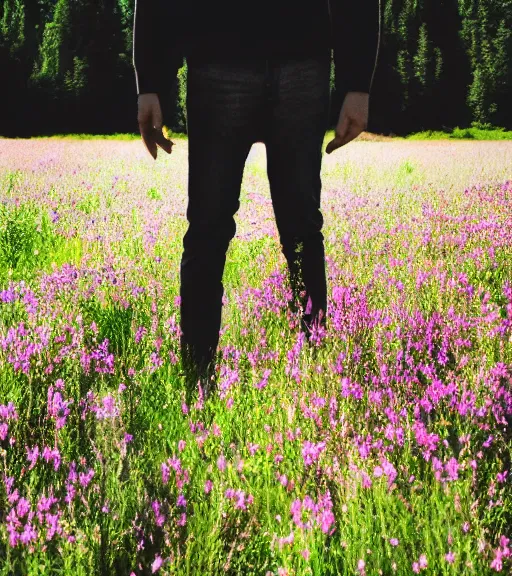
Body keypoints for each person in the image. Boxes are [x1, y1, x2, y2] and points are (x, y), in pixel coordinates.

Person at [133, 0, 381, 390]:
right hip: (218, 63)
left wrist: (358, 82)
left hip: (302, 63)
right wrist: (149, 80)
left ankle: (317, 386)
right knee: (207, 232)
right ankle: (197, 386)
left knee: (301, 229)